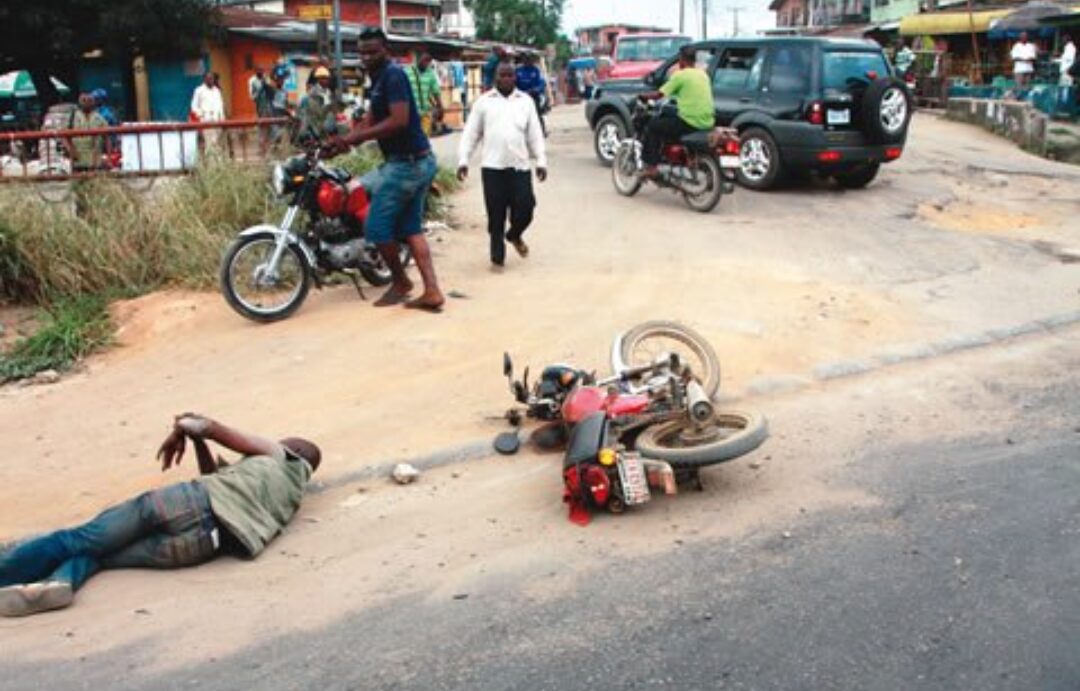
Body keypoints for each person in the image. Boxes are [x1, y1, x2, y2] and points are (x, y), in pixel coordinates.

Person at [0, 414, 321, 617]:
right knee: (101, 556)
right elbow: (214, 478)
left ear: (293, 448)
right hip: (201, 545)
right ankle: (58, 584)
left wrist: (187, 427)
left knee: (78, 539)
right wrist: (197, 442)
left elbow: (209, 427)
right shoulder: (288, 496)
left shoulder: (279, 454)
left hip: (183, 504)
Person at [330, 28, 445, 313]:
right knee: (411, 228)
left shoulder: (393, 75)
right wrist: (343, 142)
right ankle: (432, 291)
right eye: (362, 52)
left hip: (407, 164)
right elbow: (371, 119)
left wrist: (355, 138)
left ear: (386, 50)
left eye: (372, 51)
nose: (366, 57)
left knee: (376, 227)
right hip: (418, 161)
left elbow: (399, 120)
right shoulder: (379, 79)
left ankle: (401, 282)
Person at [458, 62, 547, 267]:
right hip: (492, 168)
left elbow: (535, 135)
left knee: (526, 208)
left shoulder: (526, 102)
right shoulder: (483, 103)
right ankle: (497, 257)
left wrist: (541, 160)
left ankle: (514, 234)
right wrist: (464, 160)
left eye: (510, 75)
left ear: (515, 78)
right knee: (495, 214)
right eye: (502, 75)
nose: (506, 79)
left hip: (519, 167)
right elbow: (471, 134)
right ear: (495, 77)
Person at [636, 45, 715, 180]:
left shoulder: (681, 75)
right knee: (669, 119)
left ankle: (652, 167)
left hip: (690, 122)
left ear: (682, 60)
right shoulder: (703, 75)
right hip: (708, 122)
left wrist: (643, 96)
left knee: (653, 126)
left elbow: (659, 94)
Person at [64, 92, 109, 171]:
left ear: (93, 102)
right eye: (84, 100)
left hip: (95, 161)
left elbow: (107, 138)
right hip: (78, 161)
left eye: (89, 100)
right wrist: (71, 150)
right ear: (79, 101)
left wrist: (108, 157)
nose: (86, 103)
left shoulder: (99, 118)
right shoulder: (72, 117)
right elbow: (64, 136)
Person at [407, 53, 444, 136]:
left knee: (424, 138)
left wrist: (440, 107)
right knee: (412, 138)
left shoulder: (430, 73)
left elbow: (436, 91)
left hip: (425, 113)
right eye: (424, 60)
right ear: (418, 59)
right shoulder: (407, 72)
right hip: (411, 113)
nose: (426, 63)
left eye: (428, 61)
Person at [515, 53, 548, 137]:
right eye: (526, 59)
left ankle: (542, 131)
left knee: (537, 114)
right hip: (521, 97)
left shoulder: (536, 70)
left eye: (529, 59)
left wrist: (536, 90)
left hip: (533, 96)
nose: (528, 61)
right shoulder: (518, 71)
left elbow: (542, 83)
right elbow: (514, 83)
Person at [191, 72, 225, 149]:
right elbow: (194, 106)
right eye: (209, 78)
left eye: (212, 78)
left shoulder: (216, 90)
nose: (211, 80)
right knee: (209, 142)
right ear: (204, 79)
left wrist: (222, 118)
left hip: (218, 120)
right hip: (206, 120)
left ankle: (216, 156)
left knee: (216, 142)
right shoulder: (199, 90)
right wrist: (201, 114)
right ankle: (210, 156)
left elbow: (220, 105)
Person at [300, 65, 336, 139]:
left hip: (326, 119)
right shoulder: (313, 92)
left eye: (327, 78)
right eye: (324, 78)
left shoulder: (328, 92)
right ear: (319, 79)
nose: (326, 80)